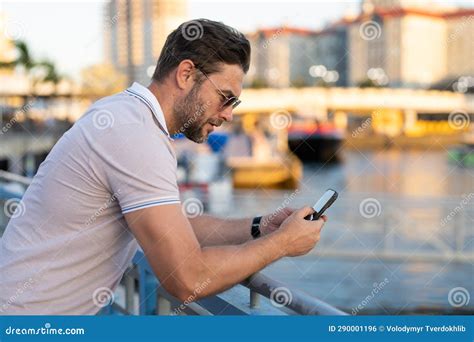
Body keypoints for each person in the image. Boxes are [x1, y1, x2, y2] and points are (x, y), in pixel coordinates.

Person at [0, 19, 326, 315]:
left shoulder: (127, 114)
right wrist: (282, 243)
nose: (228, 114)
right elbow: (187, 279)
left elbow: (173, 226)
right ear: (185, 74)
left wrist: (260, 226)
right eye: (225, 97)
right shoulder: (135, 133)